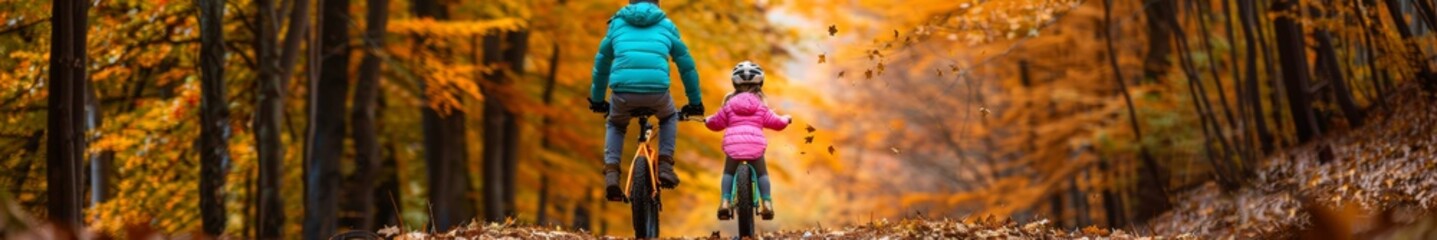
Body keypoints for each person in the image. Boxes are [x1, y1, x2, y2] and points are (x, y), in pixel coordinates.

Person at [588, 0, 703, 201]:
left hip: (623, 93)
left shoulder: (617, 24)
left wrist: (597, 99)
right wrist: (695, 102)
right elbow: (686, 65)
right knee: (668, 117)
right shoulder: (666, 24)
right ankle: (665, 166)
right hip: (657, 92)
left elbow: (602, 62)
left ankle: (612, 174)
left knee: (616, 124)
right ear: (657, 3)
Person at [704, 61, 789, 220]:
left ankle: (725, 202)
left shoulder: (728, 106)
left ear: (734, 84)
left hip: (733, 147)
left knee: (728, 172)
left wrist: (707, 120)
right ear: (759, 84)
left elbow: (715, 123)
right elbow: (777, 123)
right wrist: (786, 119)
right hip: (755, 147)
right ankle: (767, 203)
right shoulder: (761, 107)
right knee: (762, 174)